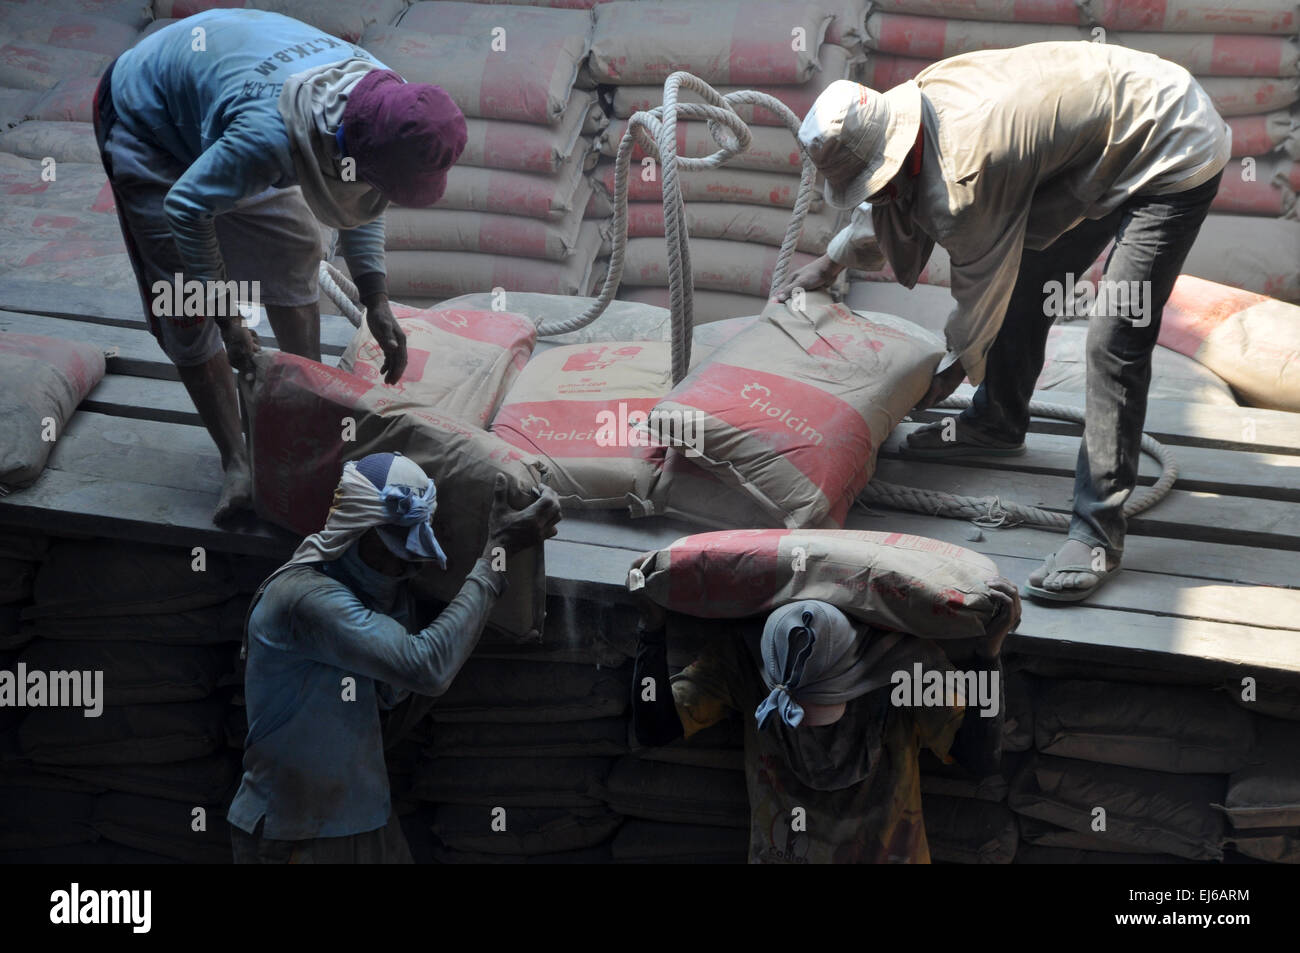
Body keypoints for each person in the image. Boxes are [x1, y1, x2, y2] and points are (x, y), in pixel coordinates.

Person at [775, 42, 1230, 602]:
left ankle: (1096, 534)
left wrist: (949, 370)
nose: (879, 191)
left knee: (1115, 337)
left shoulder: (965, 178)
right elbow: (887, 197)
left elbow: (981, 291)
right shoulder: (906, 112)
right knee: (1036, 265)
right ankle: (997, 421)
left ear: (900, 153)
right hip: (1100, 142)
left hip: (1170, 145)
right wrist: (827, 263)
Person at [92, 10, 468, 523]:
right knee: (184, 301)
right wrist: (230, 322)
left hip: (226, 102)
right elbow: (187, 207)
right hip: (148, 120)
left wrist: (374, 299)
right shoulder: (267, 136)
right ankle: (238, 463)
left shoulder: (386, 101)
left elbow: (364, 196)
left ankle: (303, 425)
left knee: (295, 248)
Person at [228, 452, 561, 863]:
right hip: (294, 834)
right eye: (383, 550)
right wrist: (497, 553)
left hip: (365, 822)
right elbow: (426, 666)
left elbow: (398, 688)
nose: (393, 566)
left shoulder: (379, 593)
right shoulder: (306, 598)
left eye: (405, 557)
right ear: (353, 529)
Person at [631, 578, 1021, 864]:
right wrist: (651, 630)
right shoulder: (744, 657)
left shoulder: (905, 667)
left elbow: (979, 757)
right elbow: (656, 725)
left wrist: (989, 655)